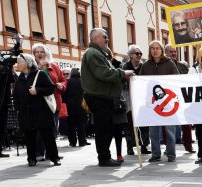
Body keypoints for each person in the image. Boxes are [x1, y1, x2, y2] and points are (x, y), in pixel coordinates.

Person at [80, 28, 135, 167]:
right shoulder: (93, 53)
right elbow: (103, 73)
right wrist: (123, 74)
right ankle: (104, 158)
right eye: (104, 36)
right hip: (99, 97)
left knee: (105, 128)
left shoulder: (97, 53)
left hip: (102, 96)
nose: (107, 39)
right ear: (95, 39)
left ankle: (105, 156)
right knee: (104, 128)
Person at [13, 54, 60, 166]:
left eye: (19, 62)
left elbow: (50, 88)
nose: (17, 64)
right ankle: (31, 158)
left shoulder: (41, 74)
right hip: (26, 113)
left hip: (42, 112)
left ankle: (54, 158)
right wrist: (17, 107)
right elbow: (15, 96)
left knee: (48, 136)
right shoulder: (19, 79)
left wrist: (37, 90)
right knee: (29, 137)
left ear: (28, 63)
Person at [140, 40, 180, 162]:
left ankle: (171, 154)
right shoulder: (145, 65)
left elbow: (177, 79)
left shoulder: (170, 64)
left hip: (168, 104)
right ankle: (155, 154)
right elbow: (140, 82)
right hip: (153, 104)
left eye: (157, 48)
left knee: (170, 130)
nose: (155, 50)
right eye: (152, 48)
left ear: (162, 50)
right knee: (153, 131)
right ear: (150, 50)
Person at [32, 43, 66, 161]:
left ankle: (51, 153)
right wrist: (39, 69)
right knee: (41, 130)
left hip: (53, 102)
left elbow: (63, 80)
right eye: (37, 52)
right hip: (39, 103)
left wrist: (62, 85)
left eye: (42, 52)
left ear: (46, 54)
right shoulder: (32, 67)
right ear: (34, 55)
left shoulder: (54, 67)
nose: (40, 54)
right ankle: (39, 152)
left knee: (53, 129)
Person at [165, 43, 194, 153]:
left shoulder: (183, 66)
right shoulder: (163, 66)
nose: (173, 53)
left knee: (186, 122)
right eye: (171, 51)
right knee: (167, 123)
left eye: (174, 51)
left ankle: (188, 145)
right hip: (168, 99)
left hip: (182, 97)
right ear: (165, 53)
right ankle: (168, 147)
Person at [122, 44, 150, 157]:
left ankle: (144, 146)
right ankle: (130, 146)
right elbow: (121, 81)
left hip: (142, 99)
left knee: (144, 124)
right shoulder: (124, 66)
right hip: (129, 98)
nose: (139, 56)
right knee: (129, 124)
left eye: (140, 54)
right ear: (130, 55)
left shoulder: (143, 66)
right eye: (136, 53)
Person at [63, 68, 88, 147]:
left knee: (71, 125)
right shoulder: (83, 81)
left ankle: (73, 142)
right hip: (81, 106)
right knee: (81, 125)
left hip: (70, 107)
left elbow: (64, 95)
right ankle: (82, 141)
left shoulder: (68, 82)